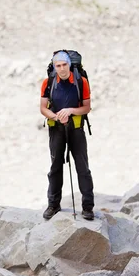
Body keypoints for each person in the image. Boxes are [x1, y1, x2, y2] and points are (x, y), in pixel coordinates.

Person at [40, 51, 94, 220]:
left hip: (76, 128)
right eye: (58, 66)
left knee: (82, 167)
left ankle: (87, 207)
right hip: (56, 128)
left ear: (69, 65)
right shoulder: (48, 82)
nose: (62, 69)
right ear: (54, 67)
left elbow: (86, 107)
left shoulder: (81, 81)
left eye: (64, 65)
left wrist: (70, 111)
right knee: (55, 167)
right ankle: (53, 204)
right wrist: (56, 116)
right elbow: (43, 108)